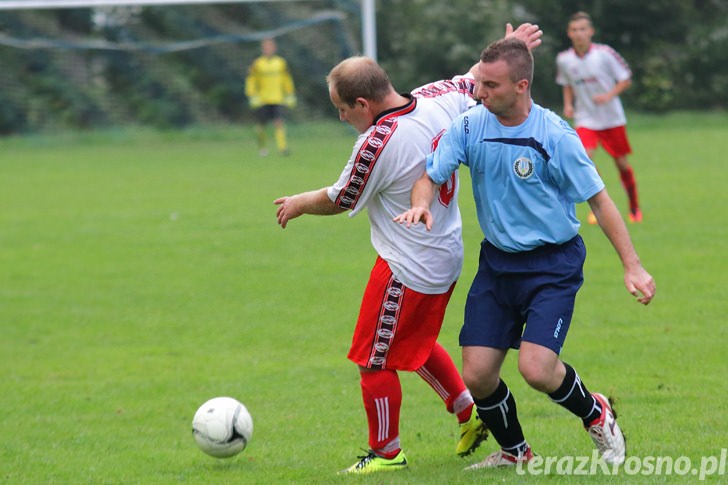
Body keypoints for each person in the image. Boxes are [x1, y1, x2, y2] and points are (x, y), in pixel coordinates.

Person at [274, 24, 543, 475]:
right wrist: (510, 48)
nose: (343, 119)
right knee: (413, 344)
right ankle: (466, 411)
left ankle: (386, 452)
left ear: (363, 103)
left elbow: (342, 197)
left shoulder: (378, 141)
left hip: (408, 264)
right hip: (444, 253)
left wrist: (299, 203)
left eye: (343, 110)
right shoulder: (438, 97)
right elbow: (473, 77)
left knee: (371, 359)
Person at [394, 37, 655, 470]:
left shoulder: (554, 135)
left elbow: (600, 201)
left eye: (490, 86)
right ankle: (516, 453)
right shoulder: (470, 125)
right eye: (479, 83)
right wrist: (421, 202)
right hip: (497, 264)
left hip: (552, 264)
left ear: (521, 85)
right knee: (477, 375)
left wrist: (633, 265)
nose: (479, 92)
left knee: (536, 369)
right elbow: (430, 173)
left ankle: (597, 414)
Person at [556, 11, 641, 224]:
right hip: (586, 119)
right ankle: (598, 206)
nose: (579, 34)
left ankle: (634, 206)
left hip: (612, 119)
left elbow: (626, 79)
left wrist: (608, 95)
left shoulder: (605, 54)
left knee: (621, 164)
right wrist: (568, 104)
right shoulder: (564, 59)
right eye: (575, 30)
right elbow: (567, 84)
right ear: (569, 33)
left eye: (583, 29)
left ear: (591, 31)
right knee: (585, 158)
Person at [245, 37, 296, 156]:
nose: (268, 49)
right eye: (266, 47)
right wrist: (252, 94)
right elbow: (251, 79)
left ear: (274, 48)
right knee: (261, 125)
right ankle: (262, 148)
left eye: (270, 47)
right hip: (262, 99)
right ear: (263, 49)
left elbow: (286, 79)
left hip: (277, 98)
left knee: (279, 122)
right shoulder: (257, 63)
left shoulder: (281, 62)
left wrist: (290, 93)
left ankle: (283, 148)